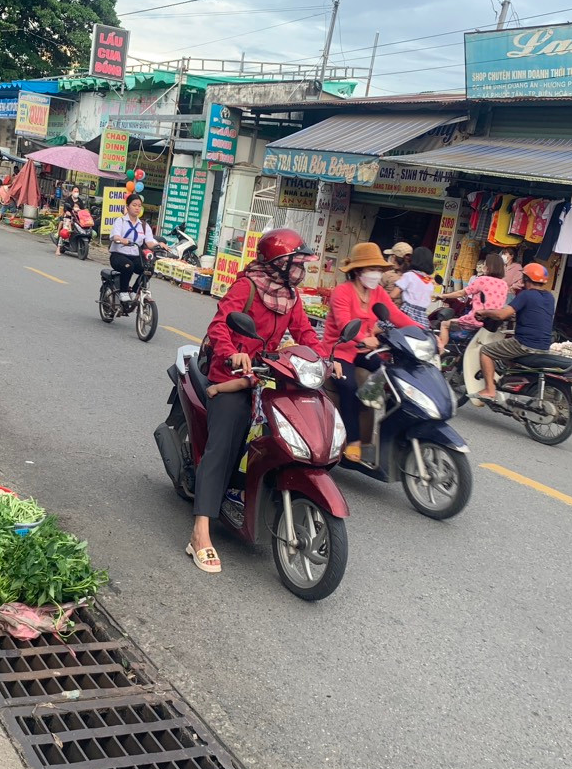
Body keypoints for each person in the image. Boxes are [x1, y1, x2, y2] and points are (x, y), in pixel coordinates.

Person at [189, 229, 340, 575]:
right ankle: (200, 532)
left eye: (303, 263)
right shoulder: (249, 286)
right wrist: (231, 355)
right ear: (277, 263)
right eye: (296, 263)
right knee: (224, 441)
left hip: (268, 374)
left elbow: (304, 334)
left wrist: (327, 360)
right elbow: (220, 326)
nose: (301, 270)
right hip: (231, 375)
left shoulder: (290, 296)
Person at [321, 243, 419, 464]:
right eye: (371, 268)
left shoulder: (378, 293)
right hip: (339, 350)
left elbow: (396, 316)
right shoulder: (342, 292)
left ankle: (386, 431)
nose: (376, 273)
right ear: (358, 271)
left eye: (378, 268)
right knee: (349, 387)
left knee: (393, 376)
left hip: (363, 351)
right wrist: (363, 338)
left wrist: (422, 333)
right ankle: (353, 441)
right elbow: (344, 322)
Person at [474, 261, 555, 401]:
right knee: (506, 353)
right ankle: (509, 386)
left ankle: (489, 389)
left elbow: (501, 315)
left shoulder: (525, 295)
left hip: (525, 344)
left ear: (526, 279)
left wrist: (484, 312)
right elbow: (533, 313)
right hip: (544, 345)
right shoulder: (549, 297)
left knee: (486, 351)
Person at [436, 252, 508, 351]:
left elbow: (462, 293)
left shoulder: (482, 280)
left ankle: (440, 353)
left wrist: (442, 295)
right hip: (491, 324)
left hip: (475, 320)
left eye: (484, 264)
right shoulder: (504, 284)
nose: (483, 267)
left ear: (488, 267)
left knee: (444, 324)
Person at [108, 194, 159, 299]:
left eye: (139, 206)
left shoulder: (143, 225)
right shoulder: (120, 221)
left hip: (136, 256)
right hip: (118, 255)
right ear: (127, 207)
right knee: (128, 266)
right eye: (134, 205)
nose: (137, 208)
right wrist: (122, 240)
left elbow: (149, 242)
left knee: (149, 269)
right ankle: (123, 292)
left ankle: (135, 291)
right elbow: (115, 237)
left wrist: (160, 245)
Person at [392, 245, 435, 324]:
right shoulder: (430, 281)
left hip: (406, 313)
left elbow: (393, 295)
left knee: (379, 328)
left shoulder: (409, 275)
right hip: (422, 318)